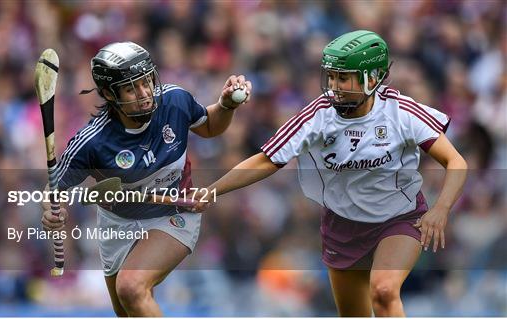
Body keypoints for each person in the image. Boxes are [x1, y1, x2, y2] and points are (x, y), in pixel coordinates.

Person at [193, 30, 467, 316]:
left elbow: (456, 162)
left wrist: (441, 209)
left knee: (384, 292)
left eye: (344, 78)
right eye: (332, 77)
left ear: (372, 78)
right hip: (342, 227)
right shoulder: (318, 115)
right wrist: (213, 189)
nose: (334, 86)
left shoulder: (401, 112)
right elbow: (266, 160)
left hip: (400, 218)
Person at [41, 41, 252, 316]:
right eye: (131, 88)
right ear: (108, 93)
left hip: (175, 211)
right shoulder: (91, 143)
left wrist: (225, 107)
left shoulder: (175, 101)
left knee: (131, 287)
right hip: (117, 224)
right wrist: (51, 213)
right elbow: (52, 192)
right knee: (128, 309)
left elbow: (210, 126)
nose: (144, 94)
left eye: (146, 82)